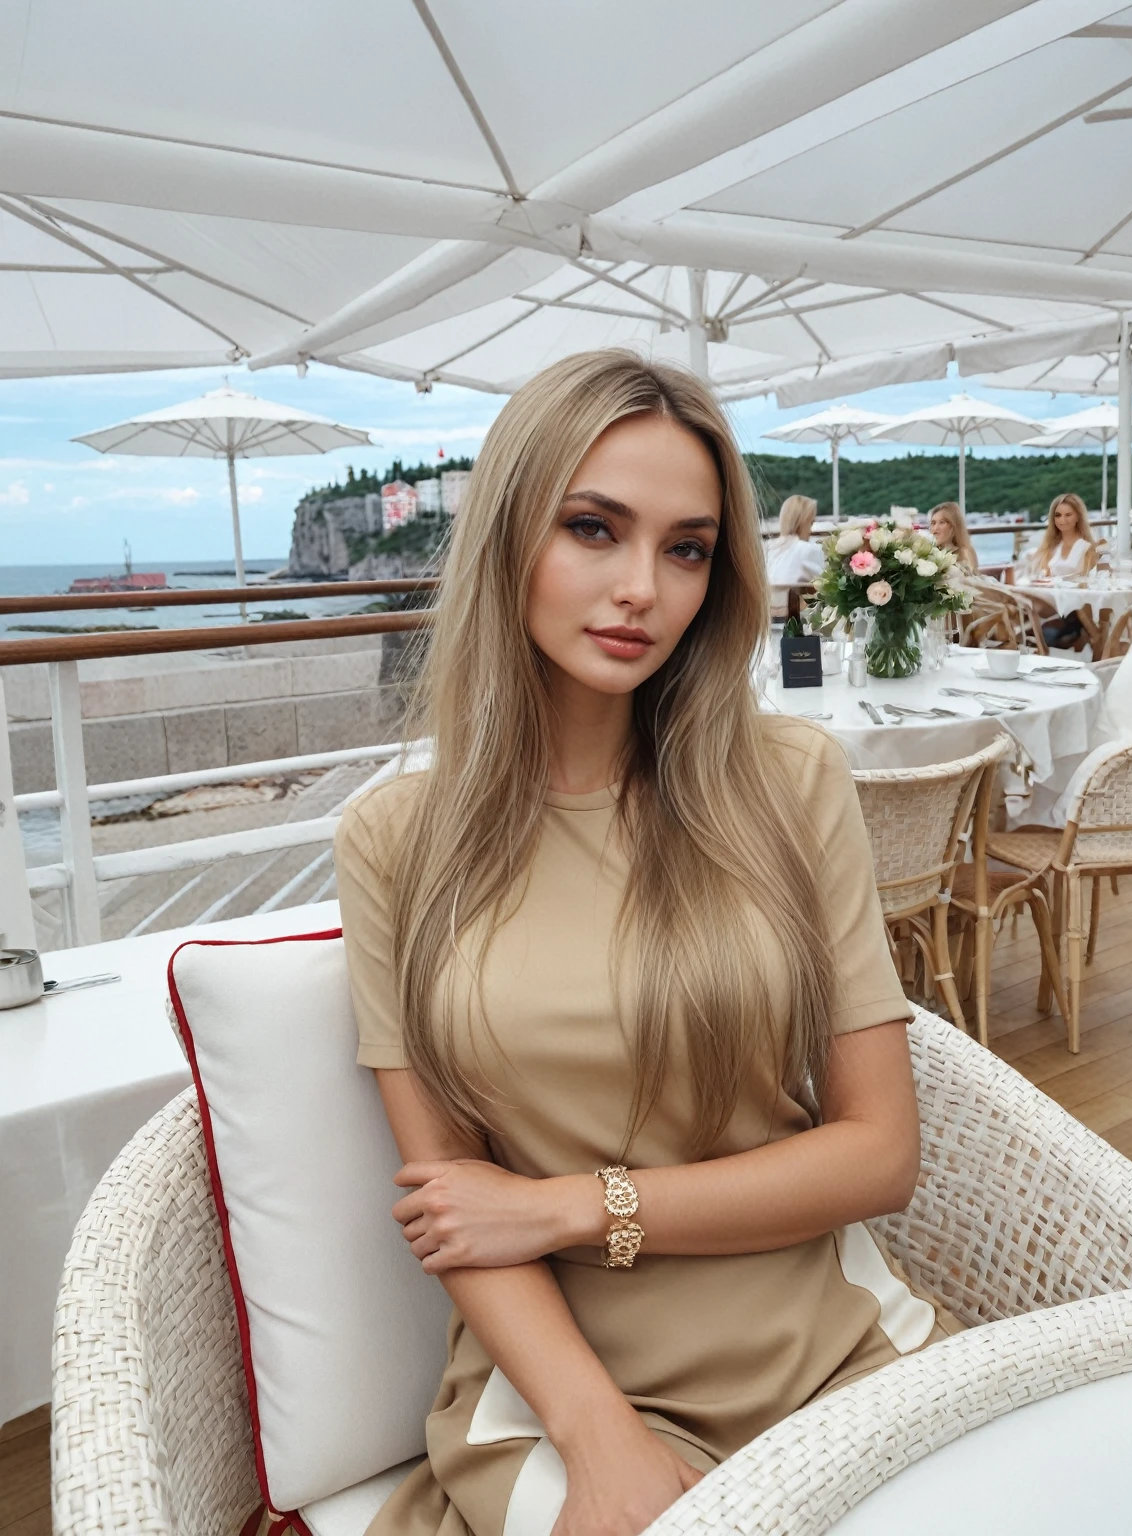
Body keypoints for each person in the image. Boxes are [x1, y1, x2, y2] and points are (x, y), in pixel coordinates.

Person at [333, 350, 962, 1536]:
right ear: (510, 533)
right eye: (592, 529)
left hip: (836, 1348)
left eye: (685, 549)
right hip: (567, 1390)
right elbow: (455, 1208)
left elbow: (879, 1155)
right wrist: (601, 1434)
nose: (643, 590)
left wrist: (577, 1205)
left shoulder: (789, 781)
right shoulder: (393, 840)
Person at [1030, 493, 1099, 650]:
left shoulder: (1087, 547)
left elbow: (1087, 580)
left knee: (1029, 612)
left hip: (1075, 607)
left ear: (1078, 517)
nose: (1063, 520)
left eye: (1068, 515)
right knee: (1023, 606)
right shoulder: (1051, 546)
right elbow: (1044, 575)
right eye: (1058, 515)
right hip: (1051, 602)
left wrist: (1058, 581)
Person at [764, 493, 824, 618]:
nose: (811, 529)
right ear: (803, 523)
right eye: (811, 523)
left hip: (765, 614)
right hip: (799, 616)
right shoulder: (808, 550)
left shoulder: (766, 547)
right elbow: (826, 585)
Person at [927, 501, 979, 573]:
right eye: (933, 523)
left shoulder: (965, 553)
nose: (935, 529)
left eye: (942, 522)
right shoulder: (928, 554)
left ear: (954, 526)